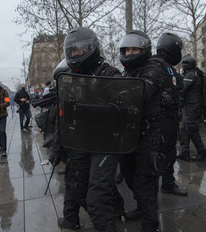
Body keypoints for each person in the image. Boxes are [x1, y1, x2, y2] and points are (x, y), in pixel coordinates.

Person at [57, 27, 124, 232]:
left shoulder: (110, 73)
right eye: (73, 51)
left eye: (82, 49)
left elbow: (124, 105)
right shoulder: (68, 77)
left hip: (104, 143)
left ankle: (111, 219)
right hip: (79, 141)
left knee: (96, 198)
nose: (77, 54)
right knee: (76, 187)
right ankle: (116, 211)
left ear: (92, 47)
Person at [119, 30, 165, 232]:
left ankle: (150, 224)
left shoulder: (153, 68)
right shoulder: (127, 72)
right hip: (129, 134)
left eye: (134, 49)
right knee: (129, 176)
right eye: (127, 49)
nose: (129, 53)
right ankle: (140, 207)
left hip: (148, 134)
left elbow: (143, 91)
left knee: (145, 183)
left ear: (144, 50)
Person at [153, 33, 188, 196]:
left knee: (167, 153)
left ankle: (167, 184)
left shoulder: (162, 66)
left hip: (169, 119)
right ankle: (158, 189)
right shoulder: (157, 66)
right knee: (159, 155)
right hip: (160, 120)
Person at [177, 56, 206, 161]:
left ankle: (201, 152)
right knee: (184, 129)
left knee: (191, 129)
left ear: (186, 66)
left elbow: (182, 89)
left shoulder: (190, 75)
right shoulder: (196, 73)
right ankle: (184, 152)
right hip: (191, 105)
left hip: (191, 106)